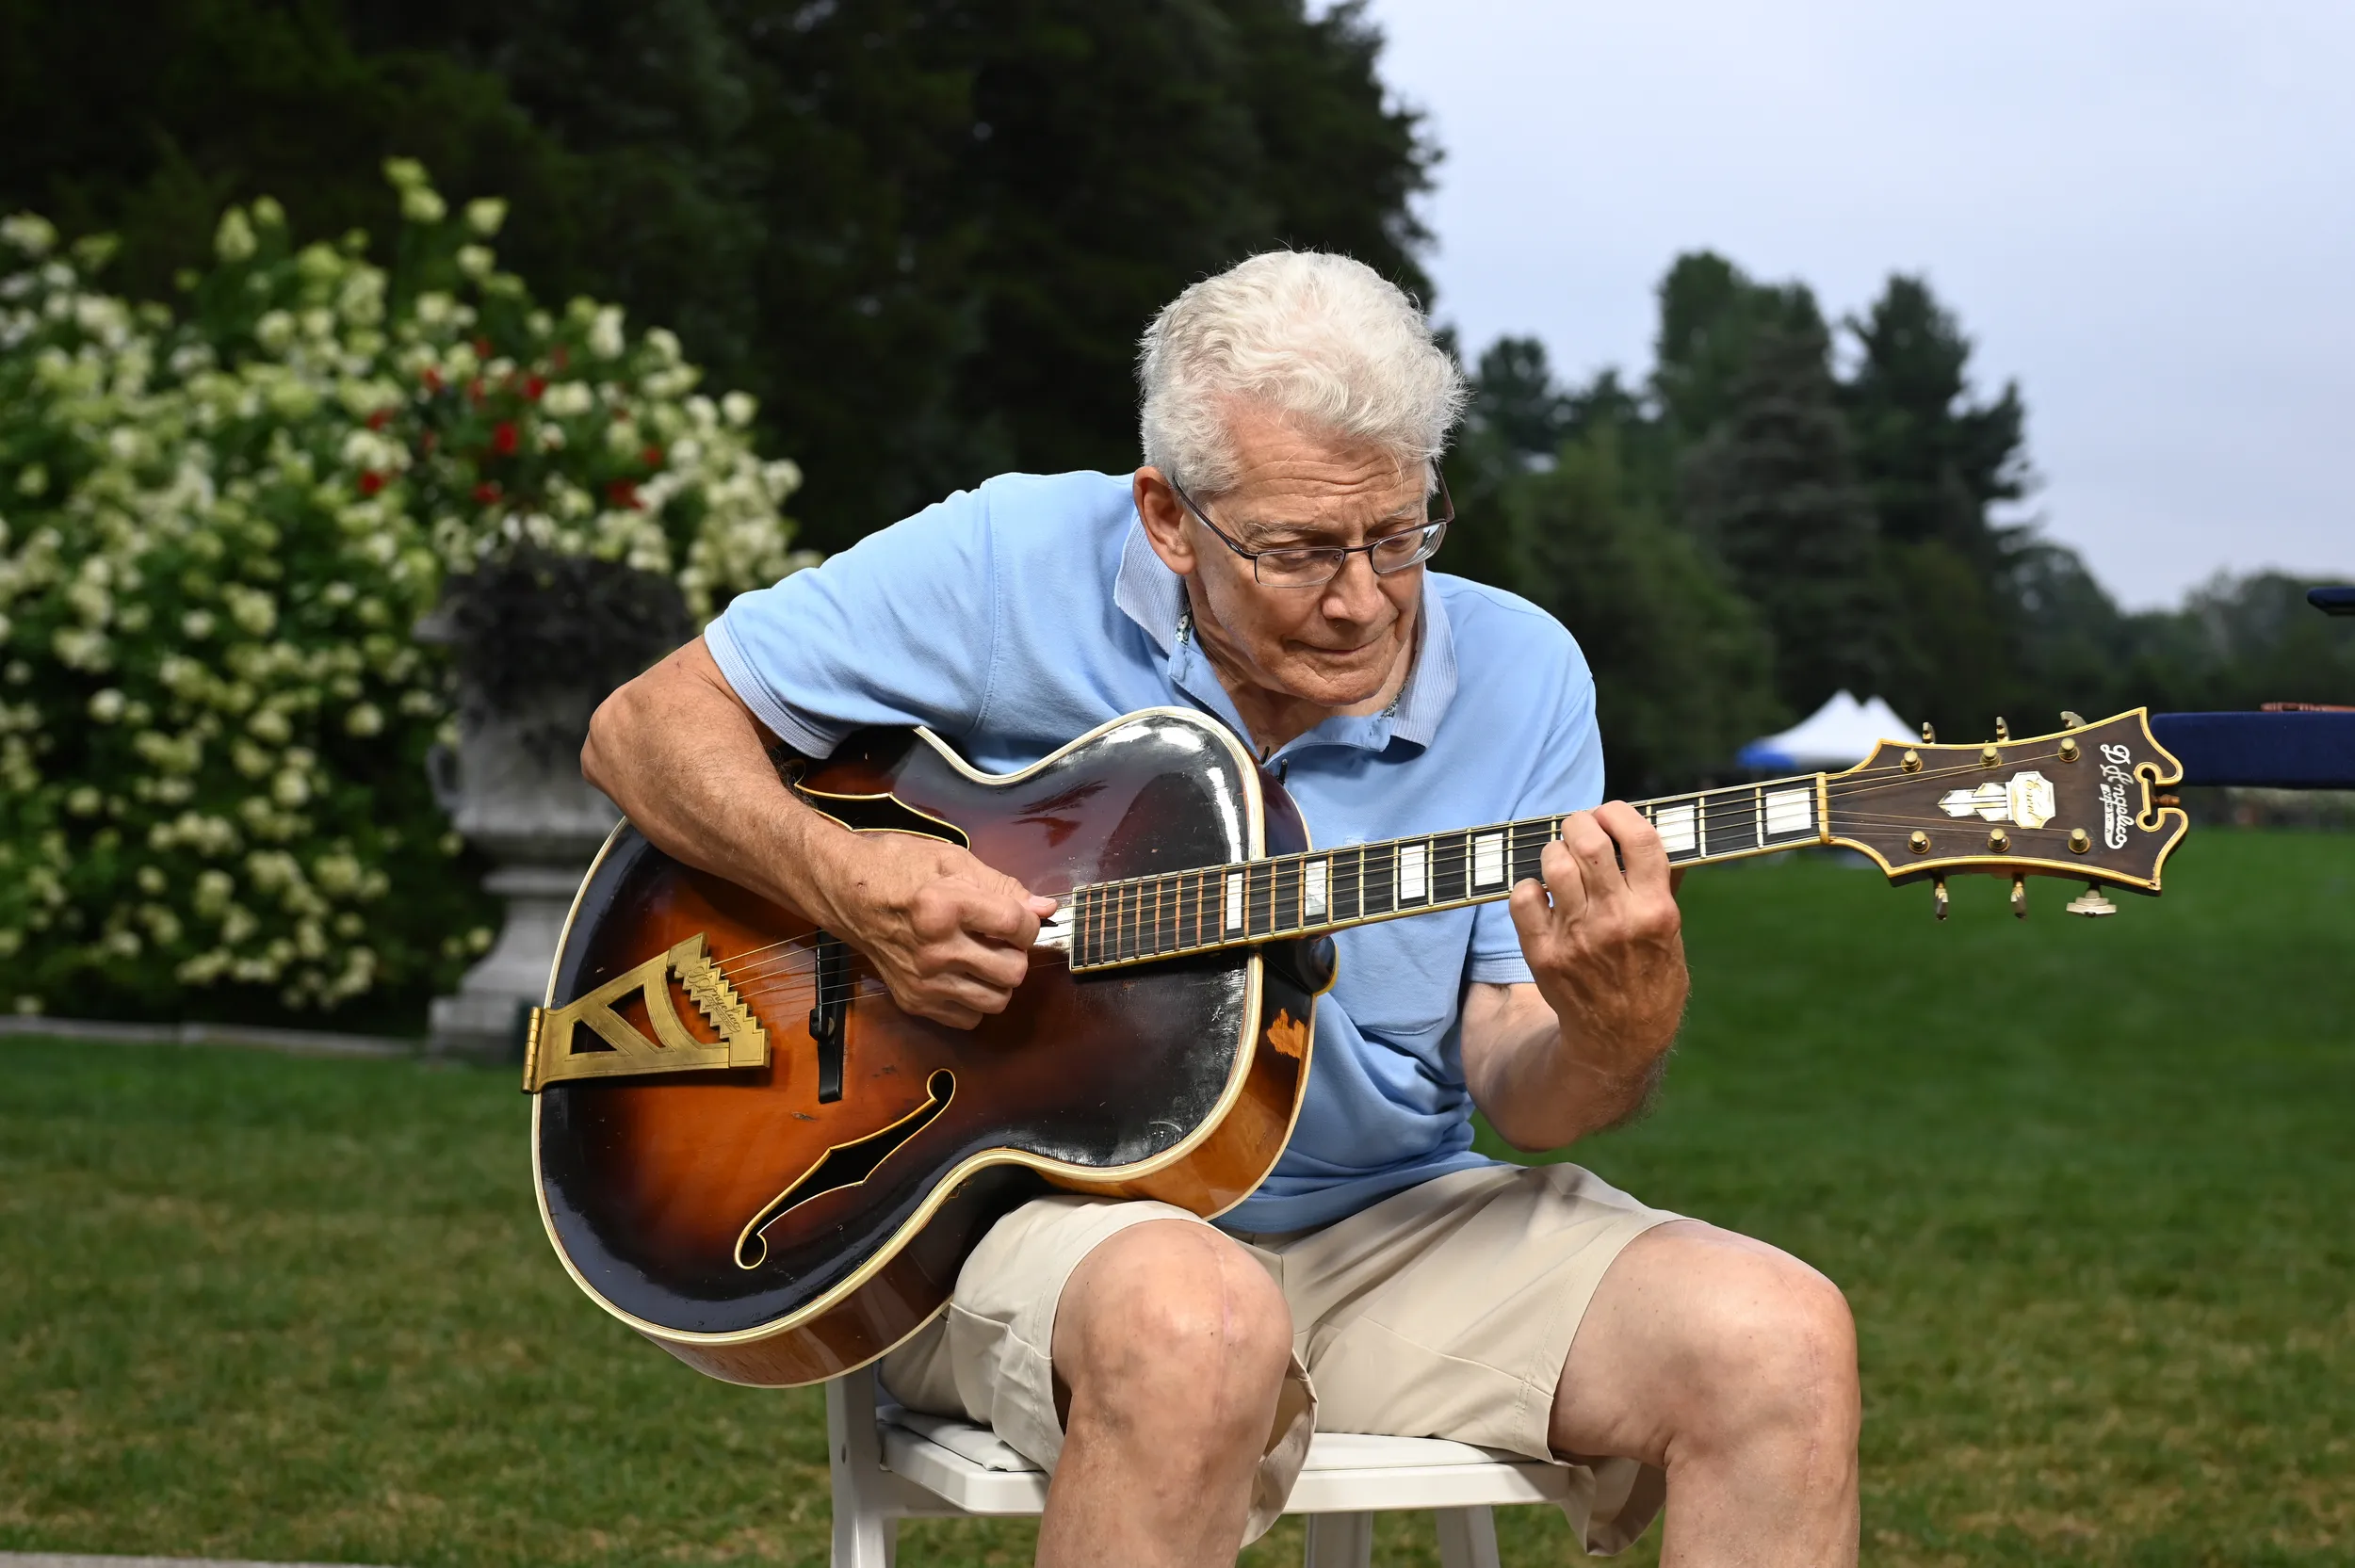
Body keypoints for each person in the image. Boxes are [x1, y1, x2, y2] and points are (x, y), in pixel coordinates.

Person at [584, 251, 1860, 1566]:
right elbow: (646, 729)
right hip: (1033, 1232)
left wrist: (1615, 1032)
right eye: (1301, 550)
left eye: (1399, 535)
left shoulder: (1525, 672)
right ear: (1168, 516)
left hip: (1393, 1228)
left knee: (1778, 1341)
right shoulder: (1007, 563)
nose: (1361, 599)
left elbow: (1525, 1094)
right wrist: (847, 885)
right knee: (1196, 1327)